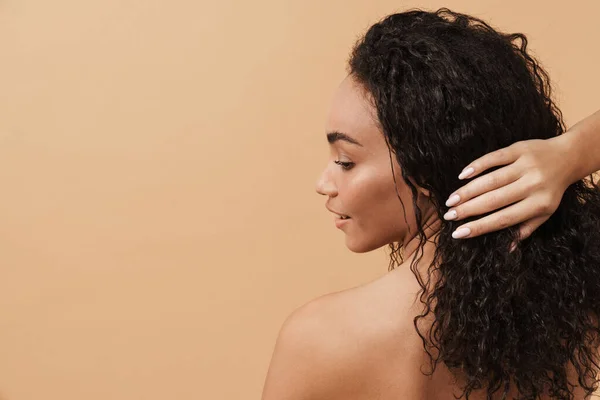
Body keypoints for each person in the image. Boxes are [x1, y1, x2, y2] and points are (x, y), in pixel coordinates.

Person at [261, 8, 600, 400]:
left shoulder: (317, 340)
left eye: (345, 161)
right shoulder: (571, 317)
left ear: (424, 172)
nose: (324, 184)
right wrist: (570, 155)